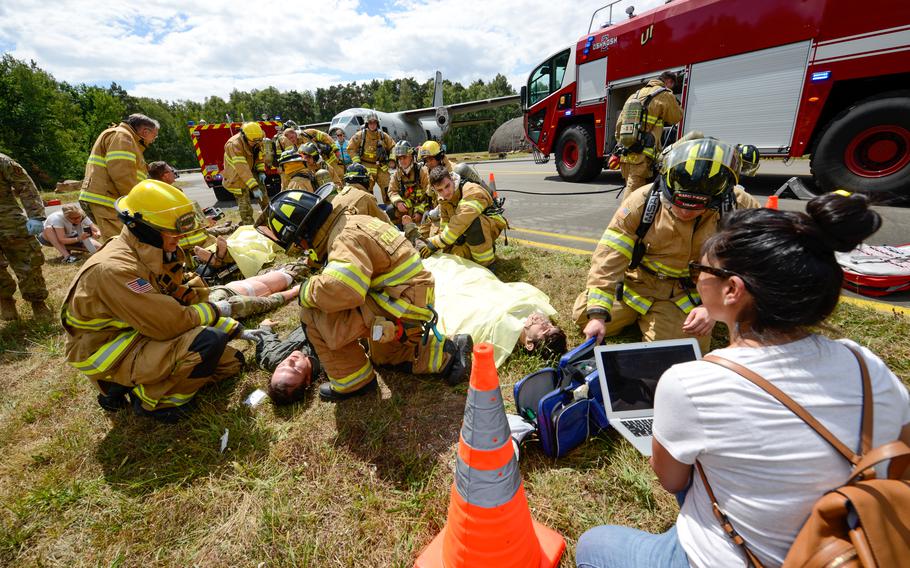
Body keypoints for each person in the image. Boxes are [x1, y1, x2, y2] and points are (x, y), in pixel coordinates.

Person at [574, 191, 910, 568]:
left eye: (702, 271)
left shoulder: (691, 382)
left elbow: (671, 480)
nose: (697, 278)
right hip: (859, 544)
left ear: (732, 290)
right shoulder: (866, 363)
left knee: (594, 544)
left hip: (734, 559)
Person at [61, 179, 256, 422]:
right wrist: (219, 312)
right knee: (208, 343)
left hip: (142, 330)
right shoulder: (116, 269)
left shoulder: (148, 251)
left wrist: (236, 328)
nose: (179, 239)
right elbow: (171, 323)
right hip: (109, 350)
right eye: (172, 233)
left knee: (232, 363)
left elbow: (177, 300)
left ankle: (134, 385)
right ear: (145, 229)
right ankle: (152, 402)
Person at [255, 190, 474, 401]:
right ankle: (448, 353)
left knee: (313, 309)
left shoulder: (342, 239)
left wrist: (306, 290)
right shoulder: (350, 221)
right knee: (384, 356)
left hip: (401, 304)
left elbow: (343, 288)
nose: (302, 248)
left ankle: (352, 382)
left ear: (304, 233)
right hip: (408, 301)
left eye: (298, 242)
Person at [573, 137, 761, 354]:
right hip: (638, 285)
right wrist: (598, 315)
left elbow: (753, 266)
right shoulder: (641, 202)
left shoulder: (739, 207)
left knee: (680, 349)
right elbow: (609, 257)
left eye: (695, 208)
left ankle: (662, 320)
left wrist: (712, 307)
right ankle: (636, 316)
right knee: (583, 314)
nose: (685, 213)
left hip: (684, 294)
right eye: (677, 204)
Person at [79, 114, 159, 239]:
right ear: (145, 132)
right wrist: (134, 201)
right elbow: (122, 174)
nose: (154, 140)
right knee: (119, 242)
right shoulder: (123, 137)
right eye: (154, 136)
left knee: (124, 240)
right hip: (108, 199)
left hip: (110, 199)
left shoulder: (124, 137)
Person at [418, 166, 507, 269]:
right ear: (434, 189)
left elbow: (461, 221)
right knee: (455, 258)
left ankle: (487, 264)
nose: (445, 192)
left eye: (447, 186)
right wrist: (438, 248)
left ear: (452, 179)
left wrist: (434, 242)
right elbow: (445, 226)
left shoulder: (471, 191)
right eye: (440, 190)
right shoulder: (443, 200)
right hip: (462, 229)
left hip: (489, 225)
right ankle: (475, 250)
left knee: (474, 225)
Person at [614, 71, 683, 199]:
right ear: (669, 82)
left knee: (638, 191)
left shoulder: (634, 96)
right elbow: (675, 117)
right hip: (642, 155)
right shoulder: (664, 94)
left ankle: (636, 217)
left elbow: (619, 125)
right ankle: (623, 218)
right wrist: (676, 105)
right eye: (672, 85)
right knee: (633, 196)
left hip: (626, 153)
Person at [0, 152, 51, 320]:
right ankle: (5, 299)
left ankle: (38, 302)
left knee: (28, 262)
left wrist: (35, 216)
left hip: (9, 221)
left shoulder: (2, 161)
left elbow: (25, 185)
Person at [254, 318, 321, 405]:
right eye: (295, 369)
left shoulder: (274, 358)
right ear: (307, 380)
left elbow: (266, 342)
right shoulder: (330, 362)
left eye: (281, 366)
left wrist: (265, 327)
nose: (290, 361)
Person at [223, 122, 268, 225]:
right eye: (253, 142)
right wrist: (254, 187)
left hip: (250, 169)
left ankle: (268, 221)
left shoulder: (257, 137)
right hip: (236, 175)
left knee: (264, 199)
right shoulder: (234, 145)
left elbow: (260, 155)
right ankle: (249, 227)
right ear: (244, 135)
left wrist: (261, 171)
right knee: (245, 205)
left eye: (258, 141)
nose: (256, 143)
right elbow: (242, 168)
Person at [347, 112, 396, 202]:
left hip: (381, 167)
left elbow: (393, 146)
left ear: (377, 123)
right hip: (366, 167)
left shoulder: (383, 136)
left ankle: (390, 209)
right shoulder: (360, 136)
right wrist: (357, 162)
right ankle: (370, 209)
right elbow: (351, 148)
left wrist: (392, 159)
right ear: (367, 124)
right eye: (370, 122)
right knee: (367, 190)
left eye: (374, 122)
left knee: (388, 187)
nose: (372, 125)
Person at [388, 140, 432, 225]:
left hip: (422, 206)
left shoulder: (422, 171)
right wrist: (398, 203)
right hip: (407, 207)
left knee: (423, 225)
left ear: (411, 157)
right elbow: (392, 191)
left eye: (404, 157)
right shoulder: (397, 174)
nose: (402, 161)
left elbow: (429, 195)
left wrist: (420, 212)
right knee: (390, 210)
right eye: (399, 158)